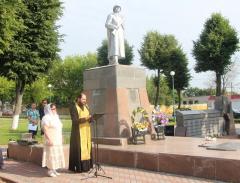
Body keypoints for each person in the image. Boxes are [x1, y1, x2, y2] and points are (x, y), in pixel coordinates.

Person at [69, 93, 93, 172]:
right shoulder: (74, 107)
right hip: (77, 133)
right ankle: (79, 168)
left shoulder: (86, 107)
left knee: (87, 147)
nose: (84, 101)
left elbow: (89, 117)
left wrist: (91, 118)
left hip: (86, 131)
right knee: (79, 150)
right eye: (83, 99)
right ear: (78, 99)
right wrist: (86, 118)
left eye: (85, 99)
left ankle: (87, 167)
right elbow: (75, 121)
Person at [42, 103, 65, 177]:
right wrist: (49, 139)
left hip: (57, 138)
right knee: (51, 155)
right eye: (53, 109)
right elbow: (45, 129)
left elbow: (59, 128)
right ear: (49, 109)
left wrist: (61, 137)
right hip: (51, 138)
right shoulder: (46, 118)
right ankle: (50, 170)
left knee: (56, 155)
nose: (55, 110)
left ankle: (54, 169)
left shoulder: (56, 117)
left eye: (55, 108)